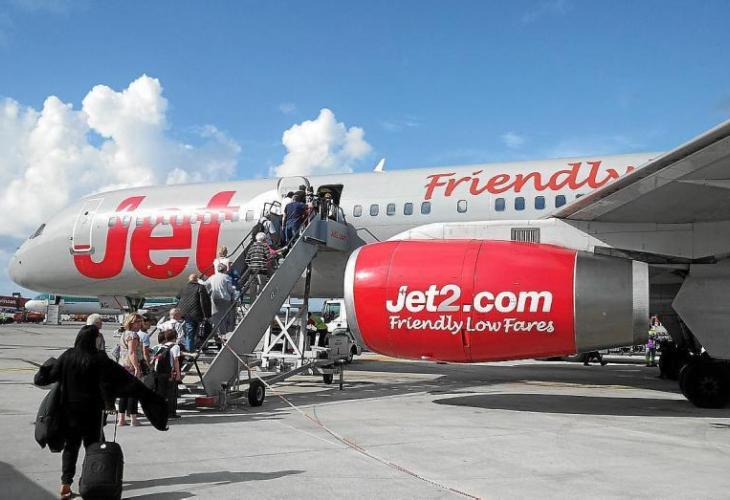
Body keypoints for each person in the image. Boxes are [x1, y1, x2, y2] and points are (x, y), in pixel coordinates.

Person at [42, 325, 113, 498]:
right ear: (94, 339)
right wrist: (110, 405)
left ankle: (66, 483)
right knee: (93, 448)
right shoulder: (99, 357)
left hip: (70, 410)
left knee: (71, 447)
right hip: (93, 411)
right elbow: (106, 384)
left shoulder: (68, 355)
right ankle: (90, 480)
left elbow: (50, 377)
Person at [117, 313, 145, 426]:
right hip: (131, 367)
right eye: (137, 322)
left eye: (140, 322)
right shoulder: (133, 335)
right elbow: (132, 352)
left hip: (123, 365)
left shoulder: (124, 333)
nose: (140, 324)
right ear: (131, 323)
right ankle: (133, 419)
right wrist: (137, 367)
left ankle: (121, 419)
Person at [150, 329, 181, 419]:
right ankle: (171, 413)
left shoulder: (159, 347)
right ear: (175, 337)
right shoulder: (175, 347)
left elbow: (153, 360)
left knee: (160, 393)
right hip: (169, 373)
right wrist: (178, 374)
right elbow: (175, 361)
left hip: (158, 373)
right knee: (171, 393)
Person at [177, 274, 212, 352]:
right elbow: (204, 302)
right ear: (197, 279)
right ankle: (197, 347)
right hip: (197, 313)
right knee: (201, 332)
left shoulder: (184, 287)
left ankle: (190, 351)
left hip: (186, 314)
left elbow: (178, 296)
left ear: (189, 279)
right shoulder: (200, 287)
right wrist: (207, 315)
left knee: (190, 333)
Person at [206, 264, 237, 339]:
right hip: (224, 299)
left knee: (215, 316)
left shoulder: (212, 277)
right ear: (225, 270)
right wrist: (234, 289)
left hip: (214, 298)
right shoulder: (226, 277)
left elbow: (206, 285)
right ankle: (222, 334)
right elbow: (230, 289)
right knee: (224, 317)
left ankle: (216, 333)